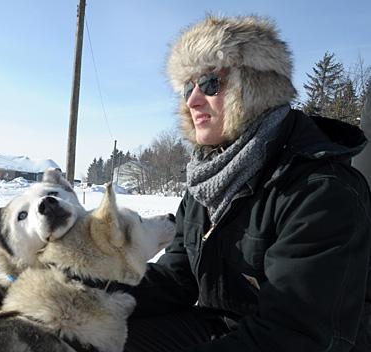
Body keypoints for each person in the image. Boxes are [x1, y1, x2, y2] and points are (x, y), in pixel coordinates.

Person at [124, 15, 371, 352]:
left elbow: (294, 334)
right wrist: (90, 295)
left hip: (294, 339)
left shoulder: (320, 190)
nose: (193, 100)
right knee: (97, 334)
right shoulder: (208, 179)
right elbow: (178, 278)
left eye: (211, 83)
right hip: (223, 326)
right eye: (188, 87)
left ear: (254, 89)